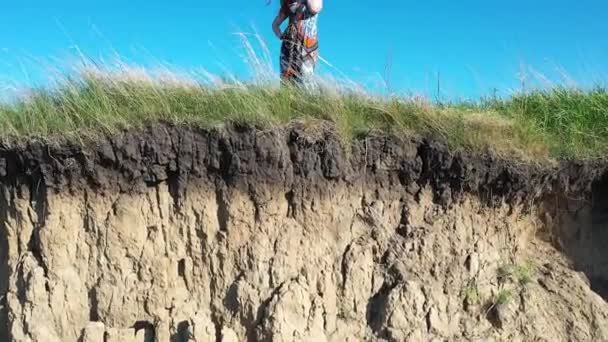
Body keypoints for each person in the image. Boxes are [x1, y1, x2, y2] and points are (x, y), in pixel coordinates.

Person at [272, 0, 323, 88]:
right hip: (288, 45)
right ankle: (286, 101)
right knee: (286, 81)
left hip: (308, 46)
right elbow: (275, 25)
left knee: (306, 78)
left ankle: (307, 101)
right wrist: (281, 36)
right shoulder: (289, 3)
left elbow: (315, 8)